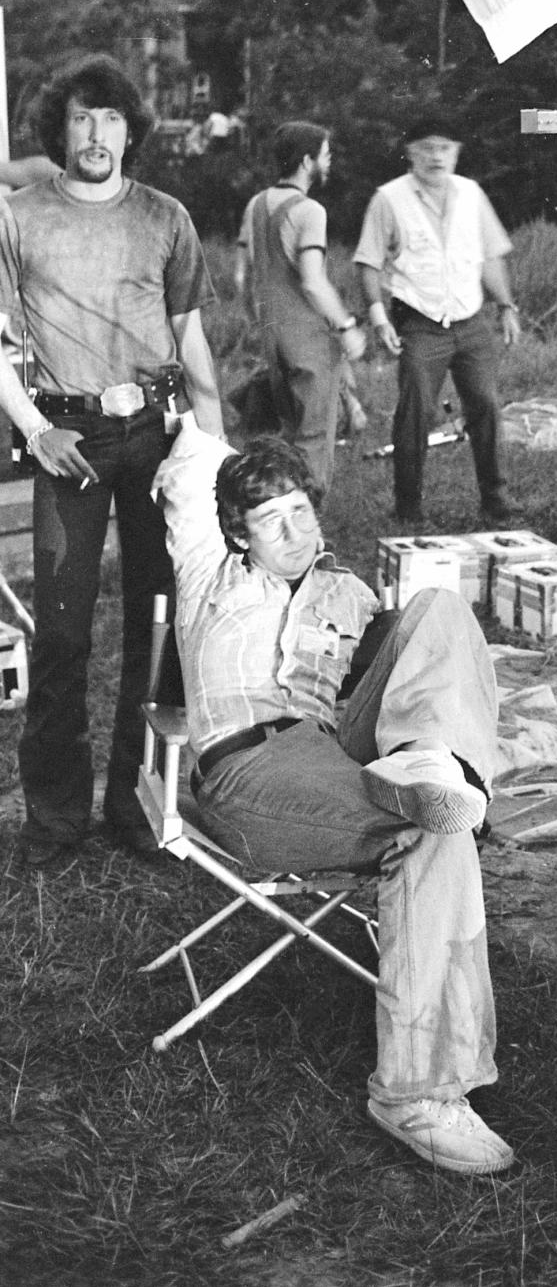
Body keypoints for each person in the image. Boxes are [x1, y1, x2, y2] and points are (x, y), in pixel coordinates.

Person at [154, 417, 514, 1176]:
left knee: (440, 611)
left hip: (335, 747)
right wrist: (180, 392)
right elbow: (190, 456)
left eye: (301, 510)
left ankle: (434, 765)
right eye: (269, 518)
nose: (291, 531)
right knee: (429, 835)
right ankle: (414, 1094)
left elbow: (414, 673)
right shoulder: (207, 575)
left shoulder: (344, 591)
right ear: (237, 533)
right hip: (251, 769)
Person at [0, 54, 222, 870]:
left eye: (111, 119)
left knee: (159, 628)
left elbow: (193, 340)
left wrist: (212, 453)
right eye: (81, 119)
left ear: (133, 130)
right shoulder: (18, 217)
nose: (96, 136)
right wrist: (33, 427)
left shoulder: (166, 216)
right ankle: (55, 821)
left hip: (160, 438)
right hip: (69, 444)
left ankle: (140, 807)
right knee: (60, 635)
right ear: (59, 129)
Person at [353, 114, 520, 528]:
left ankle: (495, 500)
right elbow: (368, 263)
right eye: (426, 147)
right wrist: (378, 319)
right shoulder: (388, 199)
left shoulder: (472, 194)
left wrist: (506, 307)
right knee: (415, 413)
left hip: (470, 320)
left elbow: (490, 256)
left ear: (457, 153)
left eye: (445, 147)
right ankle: (408, 506)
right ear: (410, 153)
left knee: (484, 404)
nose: (436, 156)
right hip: (420, 323)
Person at [235, 122, 368, 491]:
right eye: (325, 155)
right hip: (307, 336)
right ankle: (308, 520)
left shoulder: (256, 205)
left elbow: (242, 279)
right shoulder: (310, 211)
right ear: (307, 160)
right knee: (313, 437)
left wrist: (258, 321)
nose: (330, 161)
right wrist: (346, 327)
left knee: (287, 431)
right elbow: (312, 280)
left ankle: (278, 505)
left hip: (271, 334)